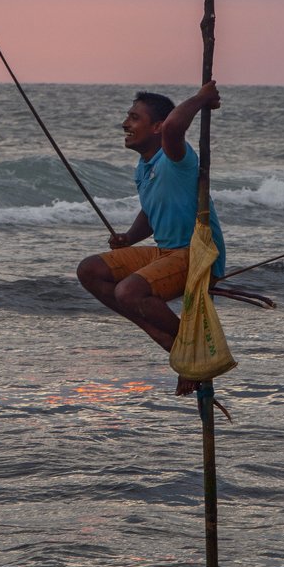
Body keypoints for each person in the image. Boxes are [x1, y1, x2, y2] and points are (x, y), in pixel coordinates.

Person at [76, 81, 225, 397]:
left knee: (128, 291)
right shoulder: (143, 167)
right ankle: (165, 336)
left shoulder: (175, 157)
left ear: (156, 127)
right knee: (89, 270)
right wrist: (129, 236)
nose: (125, 124)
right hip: (166, 252)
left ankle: (188, 345)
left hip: (196, 253)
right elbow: (150, 210)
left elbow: (174, 126)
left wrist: (201, 98)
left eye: (134, 118)